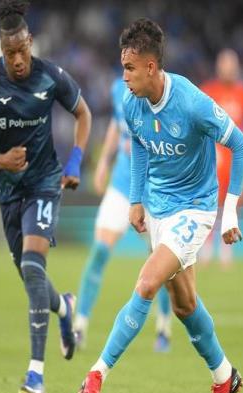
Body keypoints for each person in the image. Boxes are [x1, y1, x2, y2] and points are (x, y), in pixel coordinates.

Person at [79, 18, 243, 393]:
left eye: (130, 68)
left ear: (151, 67)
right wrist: (136, 200)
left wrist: (228, 211)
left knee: (147, 282)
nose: (124, 77)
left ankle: (97, 373)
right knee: (185, 304)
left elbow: (240, 144)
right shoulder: (132, 103)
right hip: (158, 207)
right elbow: (138, 144)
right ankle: (224, 375)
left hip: (195, 208)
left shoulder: (190, 102)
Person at [0, 0, 91, 393]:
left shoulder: (50, 75)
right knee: (30, 277)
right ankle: (64, 307)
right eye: (9, 53)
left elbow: (84, 114)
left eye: (21, 51)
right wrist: (0, 160)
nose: (17, 60)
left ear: (30, 42)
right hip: (8, 192)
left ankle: (36, 374)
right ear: (2, 50)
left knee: (34, 268)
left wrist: (75, 161)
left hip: (45, 185)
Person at [74, 76, 172, 353]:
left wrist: (146, 144)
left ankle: (163, 326)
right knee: (100, 250)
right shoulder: (118, 88)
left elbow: (173, 137)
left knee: (161, 261)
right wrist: (104, 163)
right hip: (121, 184)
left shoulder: (165, 91)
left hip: (155, 189)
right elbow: (117, 126)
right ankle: (79, 326)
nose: (127, 69)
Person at [199, 49, 243, 267]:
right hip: (213, 157)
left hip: (234, 157)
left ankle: (227, 247)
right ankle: (206, 246)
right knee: (208, 200)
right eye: (224, 64)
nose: (228, 69)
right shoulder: (208, 90)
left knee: (234, 202)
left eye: (231, 65)